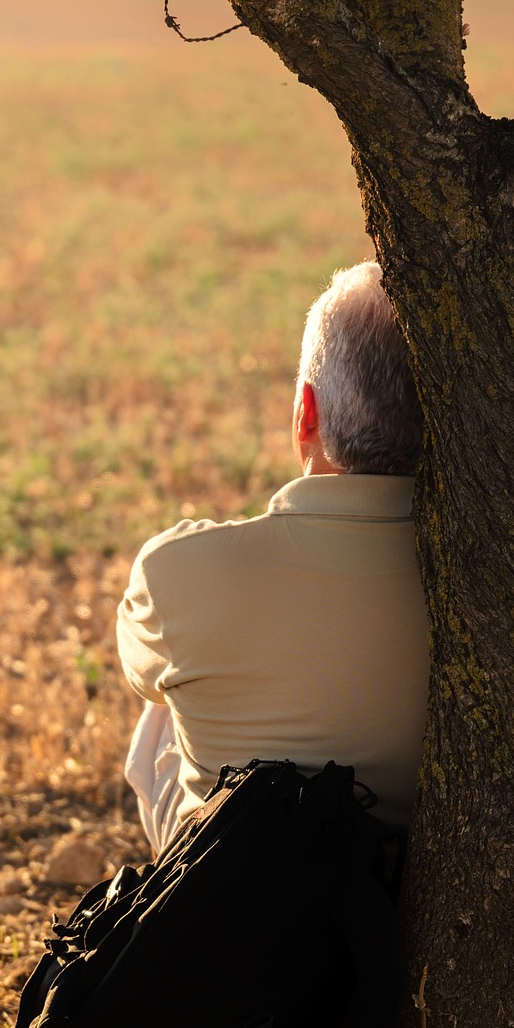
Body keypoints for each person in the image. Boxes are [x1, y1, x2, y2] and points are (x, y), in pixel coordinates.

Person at [117, 262, 429, 857]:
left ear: (305, 413)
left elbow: (137, 671)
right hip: (402, 898)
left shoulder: (177, 572)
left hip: (238, 901)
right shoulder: (493, 582)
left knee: (167, 697)